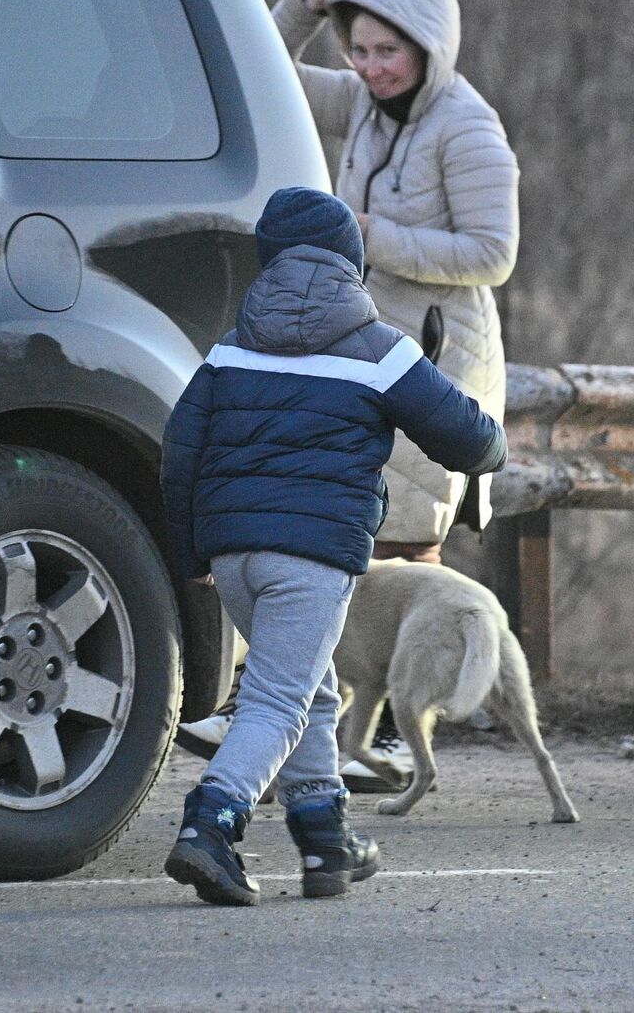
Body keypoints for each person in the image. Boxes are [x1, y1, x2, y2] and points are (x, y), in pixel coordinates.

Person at [177, 0, 521, 789]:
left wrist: (370, 231)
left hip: (434, 350)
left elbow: (494, 251)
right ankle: (301, 711)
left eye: (386, 53)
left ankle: (397, 726)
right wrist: (307, 1)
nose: (368, 67)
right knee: (330, 545)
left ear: (429, 48)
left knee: (404, 547)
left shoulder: (467, 128)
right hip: (358, 343)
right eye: (358, 49)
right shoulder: (364, 105)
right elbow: (264, 69)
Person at [159, 186, 506, 906]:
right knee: (280, 698)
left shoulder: (231, 347)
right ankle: (210, 823)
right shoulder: (377, 350)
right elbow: (470, 439)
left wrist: (193, 551)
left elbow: (180, 450)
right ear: (352, 261)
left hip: (233, 557)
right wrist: (493, 441)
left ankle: (324, 836)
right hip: (310, 557)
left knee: (309, 685)